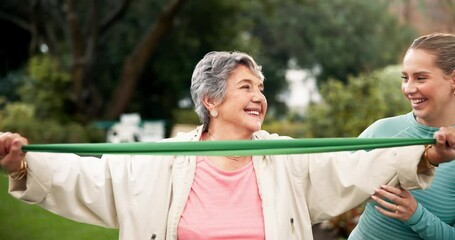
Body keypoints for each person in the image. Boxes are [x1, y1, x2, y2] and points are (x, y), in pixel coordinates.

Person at [1, 51, 455, 240]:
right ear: (210, 101)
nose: (259, 96)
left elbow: (355, 166)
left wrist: (428, 152)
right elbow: (91, 177)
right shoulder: (162, 158)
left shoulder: (284, 156)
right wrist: (24, 164)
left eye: (260, 86)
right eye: (245, 87)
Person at [348, 32, 455, 239]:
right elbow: (325, 177)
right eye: (405, 78)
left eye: (421, 78)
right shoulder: (382, 130)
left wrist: (415, 215)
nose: (409, 89)